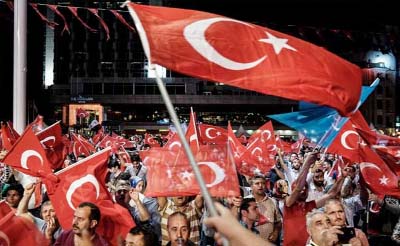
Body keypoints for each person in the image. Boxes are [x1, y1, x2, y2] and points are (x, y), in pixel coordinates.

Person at [203, 202, 273, 246]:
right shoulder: (232, 231)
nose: (258, 212)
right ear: (244, 212)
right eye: (254, 209)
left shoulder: (255, 232)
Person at [248, 175, 282, 243]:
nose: (260, 185)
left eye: (263, 183)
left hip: (269, 242)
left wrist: (276, 232)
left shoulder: (273, 201)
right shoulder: (245, 201)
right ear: (251, 186)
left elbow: (278, 222)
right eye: (257, 183)